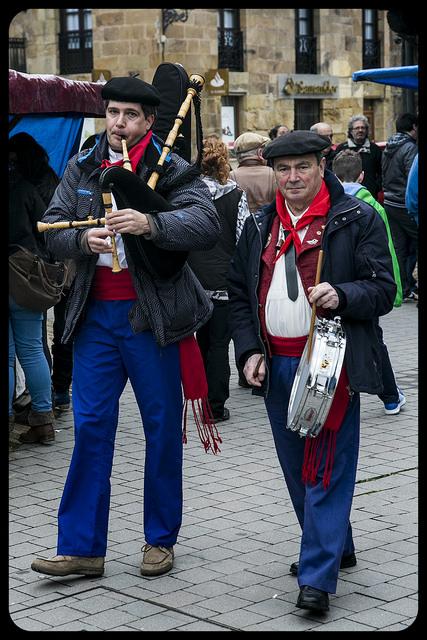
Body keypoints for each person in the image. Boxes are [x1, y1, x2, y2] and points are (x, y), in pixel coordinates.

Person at [30, 75, 221, 580]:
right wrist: (81, 240)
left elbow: (206, 224)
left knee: (160, 430)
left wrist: (151, 224)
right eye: (112, 112)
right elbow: (50, 230)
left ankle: (160, 539)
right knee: (91, 428)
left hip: (152, 319)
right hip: (95, 319)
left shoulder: (172, 166)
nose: (119, 123)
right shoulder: (84, 164)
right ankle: (81, 548)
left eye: (130, 115)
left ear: (149, 121)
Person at [228, 131, 396, 614]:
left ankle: (318, 577)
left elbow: (385, 289)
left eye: (303, 166)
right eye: (284, 169)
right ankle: (334, 544)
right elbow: (240, 294)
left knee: (325, 467)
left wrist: (342, 294)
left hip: (331, 362)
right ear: (274, 174)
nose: (293, 177)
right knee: (296, 469)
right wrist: (247, 353)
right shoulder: (261, 224)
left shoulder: (356, 217)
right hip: (275, 364)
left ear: (322, 166)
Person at [332, 149, 406, 415]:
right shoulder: (373, 206)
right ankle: (390, 397)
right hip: (365, 288)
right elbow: (387, 250)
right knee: (374, 339)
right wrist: (394, 290)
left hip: (335, 288)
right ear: (362, 175)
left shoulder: (328, 203)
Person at [9, 133, 74, 415]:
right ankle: (46, 412)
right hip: (35, 273)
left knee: (12, 354)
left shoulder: (22, 187)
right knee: (36, 345)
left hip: (26, 271)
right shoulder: (45, 185)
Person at [187, 139, 250, 422]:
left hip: (193, 280)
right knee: (219, 344)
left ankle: (199, 399)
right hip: (224, 281)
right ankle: (214, 405)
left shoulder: (188, 196)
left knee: (200, 342)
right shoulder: (237, 196)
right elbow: (242, 239)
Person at [9, 148, 55, 444]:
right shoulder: (27, 189)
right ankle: (44, 419)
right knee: (32, 349)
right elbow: (48, 229)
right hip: (25, 277)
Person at [230, 131, 276, 388]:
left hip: (244, 242)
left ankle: (246, 365)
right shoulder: (271, 175)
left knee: (247, 301)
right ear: (260, 152)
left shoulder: (233, 177)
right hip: (269, 239)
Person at [382, 113, 418, 302]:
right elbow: (413, 179)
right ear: (414, 127)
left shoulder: (389, 145)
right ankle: (409, 286)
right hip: (404, 203)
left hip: (390, 202)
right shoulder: (410, 148)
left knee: (398, 248)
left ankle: (403, 288)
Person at [334, 114, 383, 199]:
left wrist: (376, 187)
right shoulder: (342, 149)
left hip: (369, 196)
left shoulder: (375, 149)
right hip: (346, 196)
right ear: (351, 131)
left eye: (363, 128)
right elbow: (335, 172)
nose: (360, 130)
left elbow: (382, 173)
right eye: (357, 128)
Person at [230, 132, 276, 214]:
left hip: (241, 226)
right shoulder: (273, 174)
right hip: (268, 224)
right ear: (260, 153)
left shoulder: (230, 177)